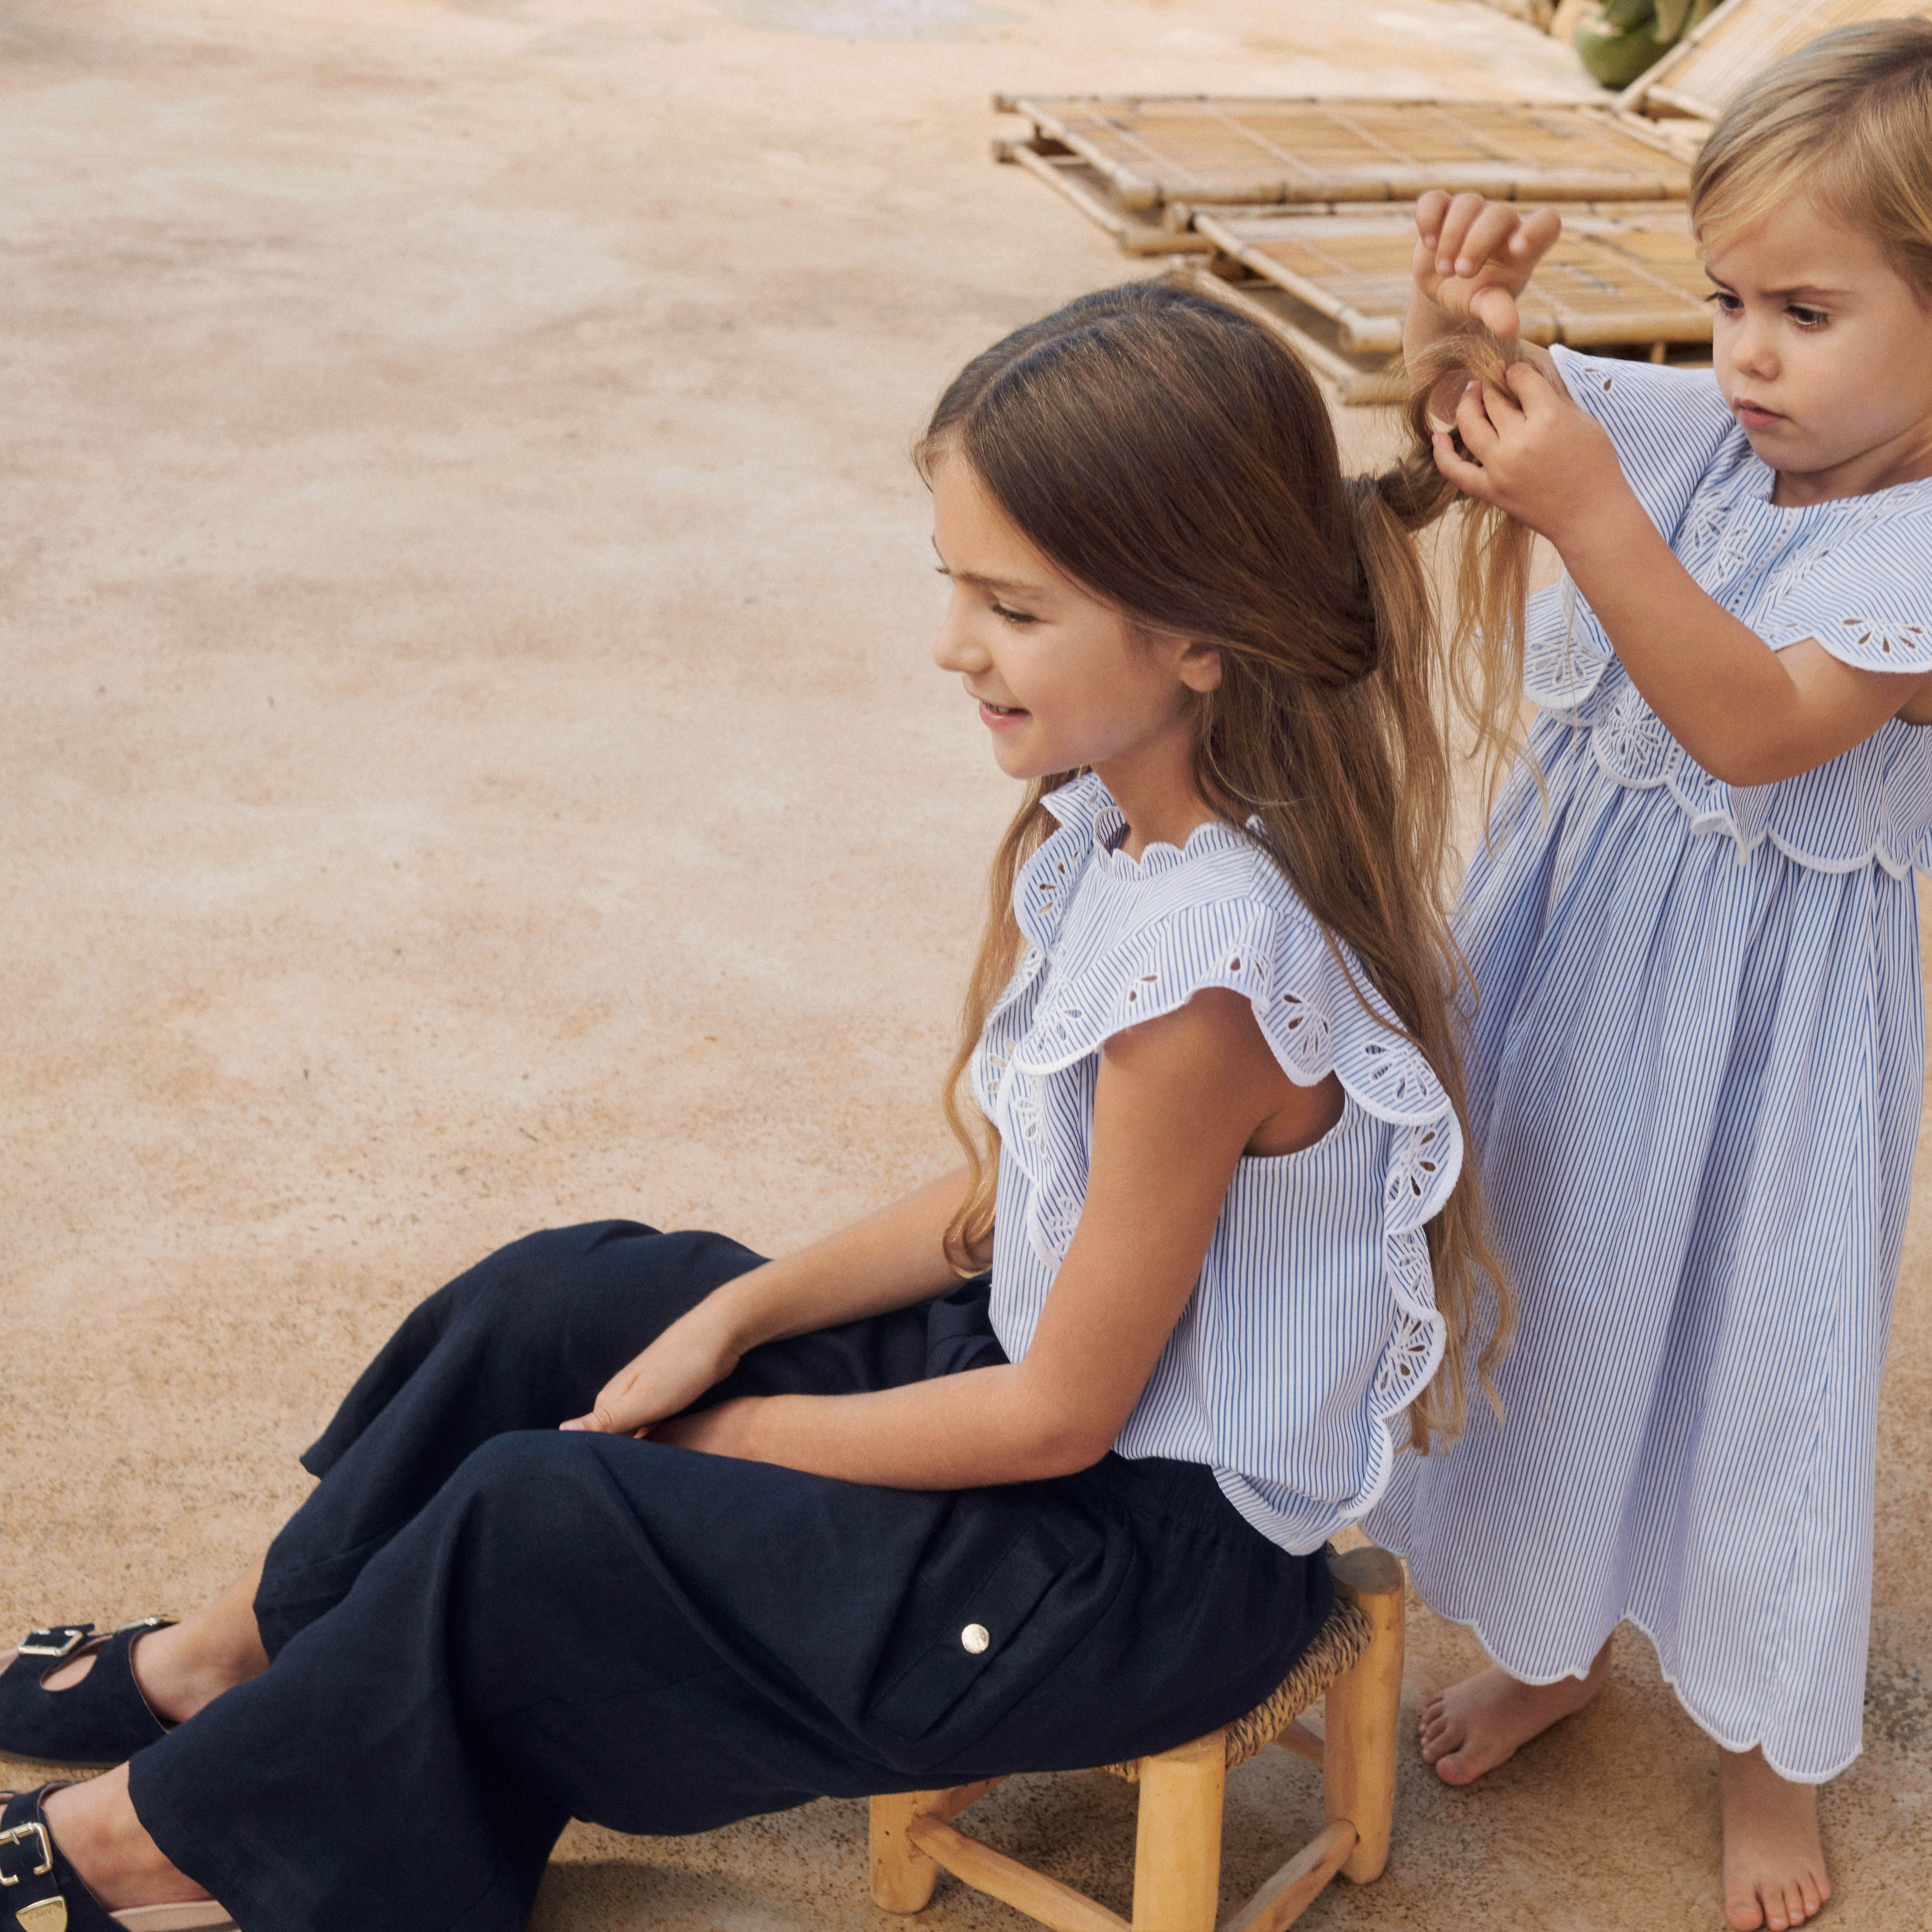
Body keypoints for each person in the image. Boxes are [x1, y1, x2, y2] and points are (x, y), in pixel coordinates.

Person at [0, 279, 1507, 1932]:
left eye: (1010, 607)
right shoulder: (1126, 828)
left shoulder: (1213, 978)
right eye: (953, 587)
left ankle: (180, 1840)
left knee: (544, 1511)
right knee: (566, 1296)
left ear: (1197, 634)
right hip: (1048, 1426)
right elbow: (1008, 1209)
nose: (952, 644)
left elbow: (1057, 1419)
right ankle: (222, 1669)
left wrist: (729, 1441)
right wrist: (727, 1322)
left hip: (1125, 1572)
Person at [1365, 22, 1932, 1932]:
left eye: (1805, 308)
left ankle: (1770, 1754)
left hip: (1772, 1040)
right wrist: (1454, 330)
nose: (1745, 353)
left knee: (1755, 1356)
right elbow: (1495, 432)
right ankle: (1554, 1629)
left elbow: (1761, 725)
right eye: (1725, 300)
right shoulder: (1741, 431)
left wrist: (1592, 511)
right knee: (1565, 1296)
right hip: (1585, 970)